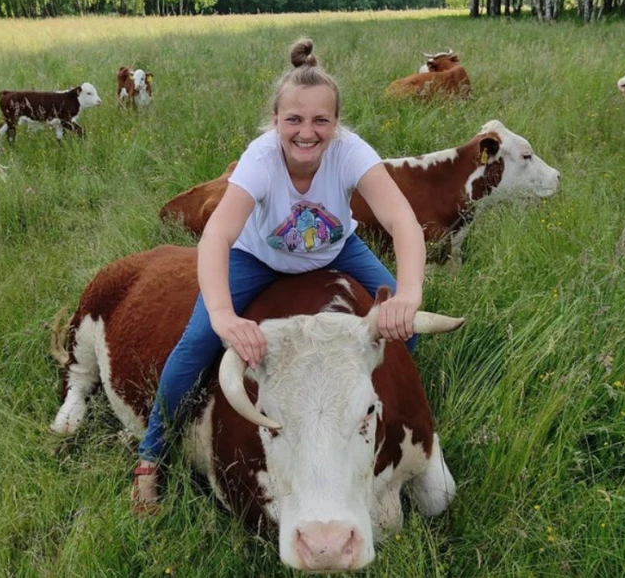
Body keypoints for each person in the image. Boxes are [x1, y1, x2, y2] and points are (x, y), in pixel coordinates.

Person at [132, 38, 427, 513]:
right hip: (258, 258)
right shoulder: (261, 159)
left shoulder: (350, 152)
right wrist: (226, 316)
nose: (307, 132)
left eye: (320, 121)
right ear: (276, 122)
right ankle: (151, 456)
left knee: (404, 335)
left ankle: (373, 421)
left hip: (337, 250)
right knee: (196, 345)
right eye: (294, 120)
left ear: (337, 124)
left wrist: (408, 294)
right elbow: (216, 238)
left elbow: (402, 221)